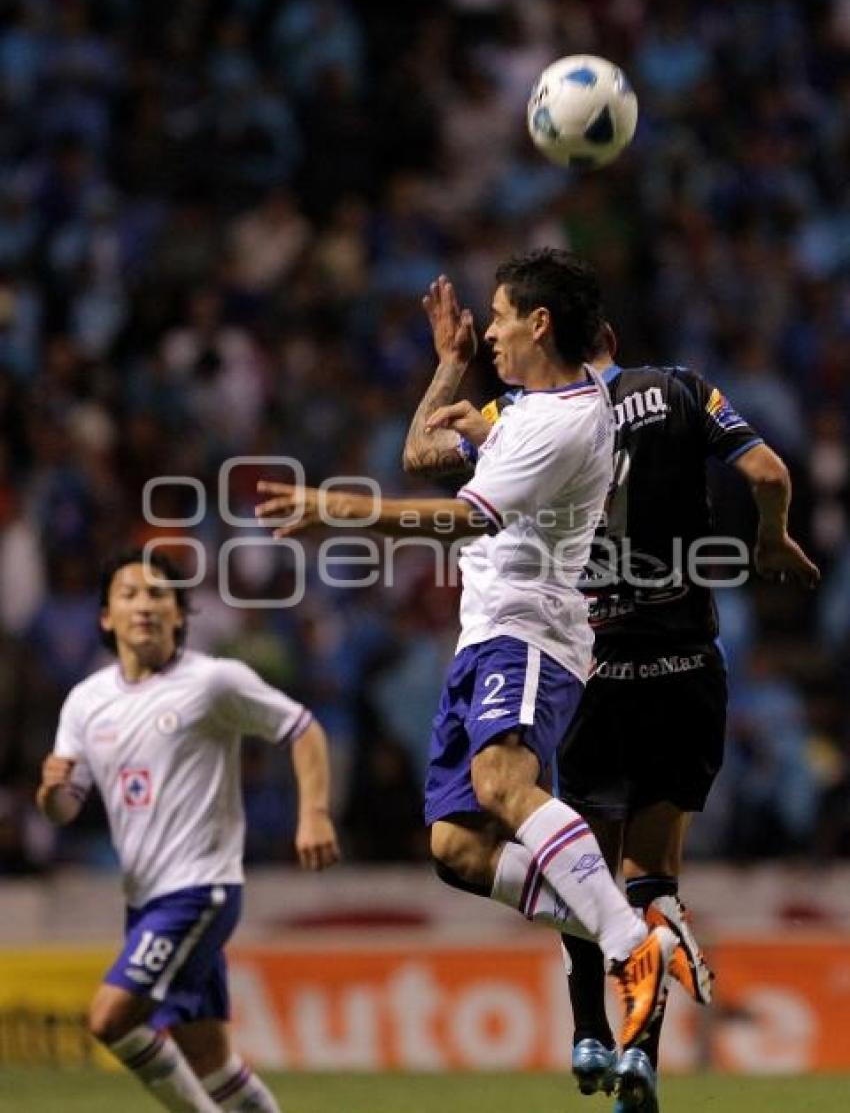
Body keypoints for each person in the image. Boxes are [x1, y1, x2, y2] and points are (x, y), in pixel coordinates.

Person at [402, 280, 820, 1111]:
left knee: (573, 854)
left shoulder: (521, 418)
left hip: (589, 657)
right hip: (682, 664)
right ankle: (641, 1061)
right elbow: (768, 471)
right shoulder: (678, 389)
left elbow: (421, 456)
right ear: (613, 335)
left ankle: (589, 1025)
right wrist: (772, 538)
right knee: (648, 875)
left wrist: (450, 372)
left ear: (549, 330)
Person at [256, 249, 680, 1053]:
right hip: (484, 635)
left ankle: (628, 943)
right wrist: (448, 370)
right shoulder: (526, 409)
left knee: (499, 782)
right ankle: (619, 921)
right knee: (454, 848)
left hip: (530, 631)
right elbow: (421, 451)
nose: (488, 331)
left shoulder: (558, 425)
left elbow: (464, 518)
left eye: (497, 318)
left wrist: (334, 507)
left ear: (539, 322)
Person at [36, 547, 340, 1113]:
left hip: (200, 888)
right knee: (212, 1061)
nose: (146, 605)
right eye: (130, 594)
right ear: (106, 617)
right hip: (145, 900)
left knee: (110, 1019)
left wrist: (313, 812)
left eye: (160, 595)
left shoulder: (213, 683)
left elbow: (302, 727)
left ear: (180, 614)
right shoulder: (85, 701)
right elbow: (66, 809)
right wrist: (52, 792)